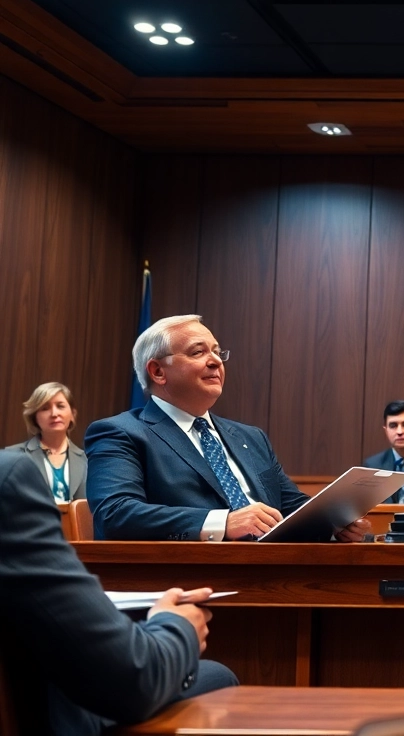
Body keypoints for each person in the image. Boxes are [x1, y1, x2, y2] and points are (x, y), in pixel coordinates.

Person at [0, 451, 238, 734]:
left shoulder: (249, 438)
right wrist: (178, 626)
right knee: (218, 677)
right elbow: (132, 681)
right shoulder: (10, 477)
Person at [85, 314, 370, 543]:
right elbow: (115, 514)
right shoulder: (120, 433)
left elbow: (290, 504)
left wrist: (334, 523)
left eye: (218, 352)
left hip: (274, 571)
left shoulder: (251, 437)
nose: (216, 361)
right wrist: (223, 523)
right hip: (186, 580)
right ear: (158, 371)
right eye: (198, 352)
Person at [6, 381, 87, 501]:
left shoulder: (88, 460)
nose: (54, 414)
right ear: (34, 418)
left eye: (60, 406)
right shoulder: (12, 457)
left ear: (72, 414)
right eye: (45, 408)